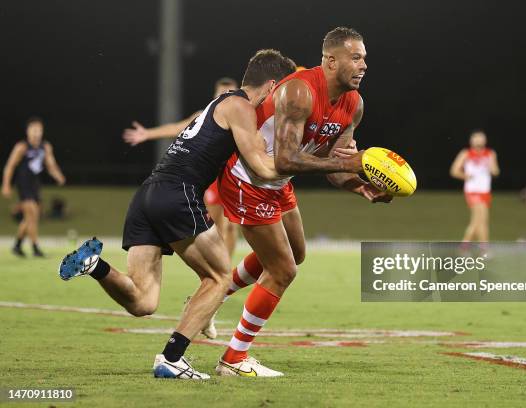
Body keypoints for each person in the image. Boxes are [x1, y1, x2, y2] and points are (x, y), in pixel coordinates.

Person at [58, 50, 302, 380]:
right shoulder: (241, 106)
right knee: (219, 278)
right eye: (285, 89)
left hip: (148, 194)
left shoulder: (218, 106)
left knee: (143, 302)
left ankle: (94, 265)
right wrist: (317, 164)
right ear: (273, 85)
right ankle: (172, 358)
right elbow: (260, 166)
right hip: (178, 194)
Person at [214, 27, 391, 377]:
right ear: (330, 60)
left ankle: (219, 293)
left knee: (295, 254)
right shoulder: (299, 91)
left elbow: (331, 165)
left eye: (365, 58)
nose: (364, 65)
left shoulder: (354, 105)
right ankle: (233, 359)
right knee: (282, 270)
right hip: (248, 179)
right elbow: (284, 158)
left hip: (279, 181)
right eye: (356, 58)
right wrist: (350, 162)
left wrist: (358, 184)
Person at [123, 77, 240, 257]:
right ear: (215, 95)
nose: (226, 96)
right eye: (222, 93)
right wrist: (148, 134)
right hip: (213, 176)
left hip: (234, 175)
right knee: (214, 224)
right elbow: (177, 128)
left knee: (232, 226)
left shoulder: (244, 114)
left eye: (230, 92)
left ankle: (227, 267)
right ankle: (219, 265)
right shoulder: (206, 115)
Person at [2, 117, 66, 257]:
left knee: (31, 217)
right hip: (23, 184)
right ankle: (36, 248)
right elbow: (10, 166)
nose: (36, 133)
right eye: (34, 130)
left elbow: (51, 164)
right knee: (31, 214)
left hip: (35, 184)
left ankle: (17, 245)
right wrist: (6, 185)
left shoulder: (45, 147)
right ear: (28, 131)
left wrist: (58, 175)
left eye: (39, 130)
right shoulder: (22, 147)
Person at [450, 130, 499, 250]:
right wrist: (466, 176)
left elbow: (496, 171)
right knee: (482, 221)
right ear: (471, 141)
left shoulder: (490, 153)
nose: (478, 141)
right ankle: (484, 249)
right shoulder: (466, 154)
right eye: (476, 138)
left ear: (485, 140)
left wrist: (492, 168)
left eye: (481, 138)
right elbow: (454, 171)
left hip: (485, 191)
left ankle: (464, 246)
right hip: (472, 191)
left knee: (476, 222)